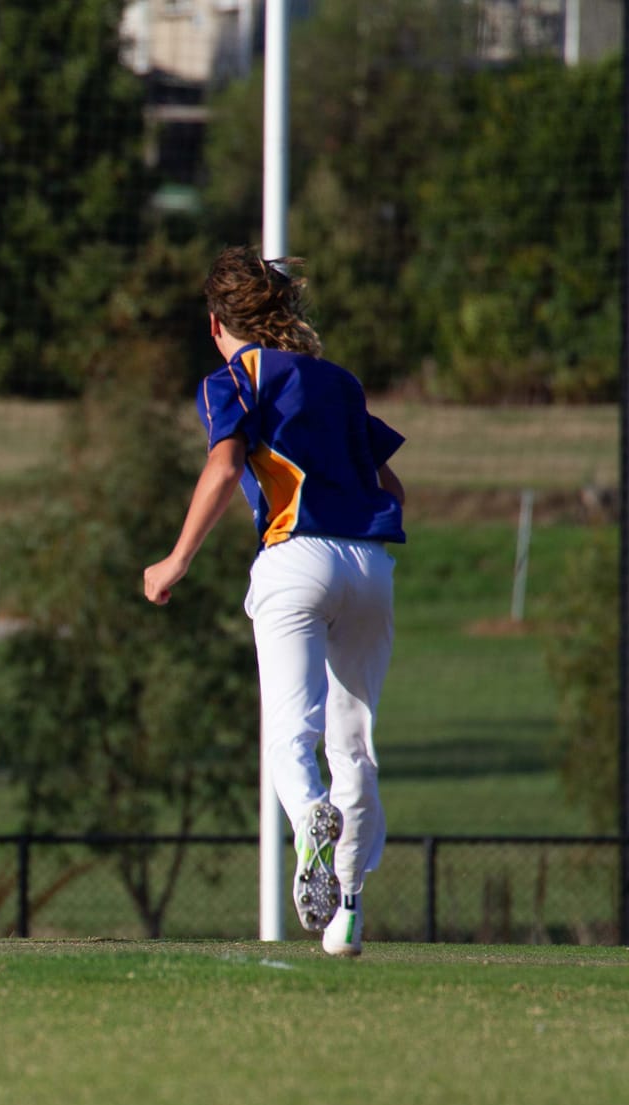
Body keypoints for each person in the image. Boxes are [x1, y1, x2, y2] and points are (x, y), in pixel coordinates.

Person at [143, 248, 406, 958]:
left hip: (296, 557)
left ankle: (309, 816)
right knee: (355, 741)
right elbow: (394, 488)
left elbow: (225, 464)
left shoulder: (236, 376)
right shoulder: (340, 383)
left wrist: (176, 559)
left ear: (215, 322)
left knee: (293, 733)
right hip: (370, 563)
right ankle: (347, 911)